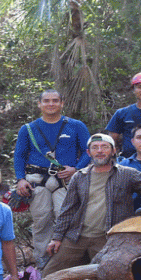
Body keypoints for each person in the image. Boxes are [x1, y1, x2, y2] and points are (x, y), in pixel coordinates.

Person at [33, 133, 141, 280]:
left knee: (110, 277)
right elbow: (68, 209)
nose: (100, 151)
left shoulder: (127, 174)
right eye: (95, 148)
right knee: (51, 272)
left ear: (113, 151)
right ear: (88, 153)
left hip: (108, 239)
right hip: (77, 237)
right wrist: (56, 237)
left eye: (104, 147)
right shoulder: (79, 177)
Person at [13, 89, 91, 269]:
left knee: (67, 219)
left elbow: (88, 151)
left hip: (65, 180)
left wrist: (76, 169)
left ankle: (68, 260)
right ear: (39, 104)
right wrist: (20, 179)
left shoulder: (76, 126)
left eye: (55, 100)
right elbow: (20, 155)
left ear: (62, 103)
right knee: (41, 220)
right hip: (37, 180)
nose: (51, 104)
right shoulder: (28, 129)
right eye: (46, 101)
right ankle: (43, 262)